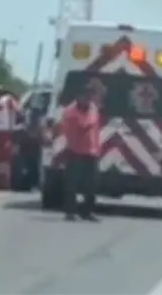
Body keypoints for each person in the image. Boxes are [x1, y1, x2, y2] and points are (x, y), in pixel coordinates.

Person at [61, 80, 103, 221]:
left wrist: (98, 148)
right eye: (86, 95)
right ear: (79, 96)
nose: (88, 99)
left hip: (91, 151)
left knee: (91, 184)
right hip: (75, 150)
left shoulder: (93, 108)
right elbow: (82, 126)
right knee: (72, 183)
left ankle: (88, 211)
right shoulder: (70, 111)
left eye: (90, 95)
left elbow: (95, 129)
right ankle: (70, 211)